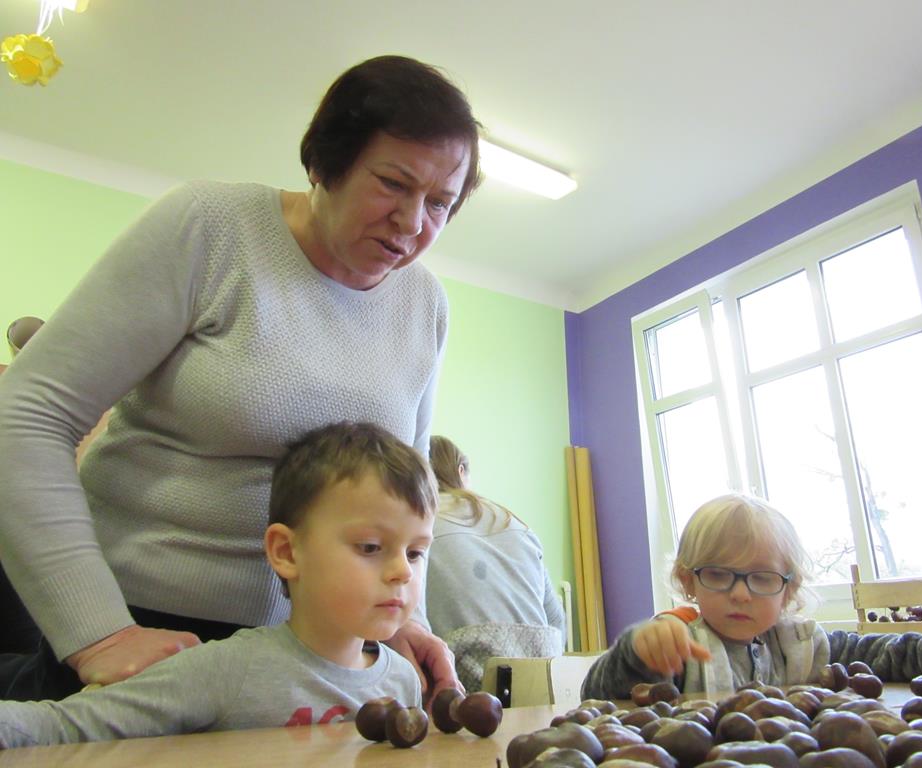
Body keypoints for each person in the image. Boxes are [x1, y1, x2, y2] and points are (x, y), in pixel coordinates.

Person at [0, 54, 482, 703]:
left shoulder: (424, 304)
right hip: (143, 637)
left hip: (306, 652)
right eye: (394, 184)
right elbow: (26, 414)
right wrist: (98, 634)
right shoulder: (211, 228)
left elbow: (406, 490)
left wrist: (405, 621)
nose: (413, 222)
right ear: (325, 163)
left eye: (440, 203)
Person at [0, 421, 434, 748]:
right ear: (286, 552)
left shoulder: (402, 683)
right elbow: (66, 725)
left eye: (415, 553)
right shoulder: (227, 670)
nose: (403, 571)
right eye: (370, 547)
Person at [581, 493, 922, 699]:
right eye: (719, 575)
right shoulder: (677, 646)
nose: (740, 594)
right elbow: (597, 695)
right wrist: (636, 655)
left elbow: (873, 654)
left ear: (789, 590)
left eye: (762, 578)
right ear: (688, 581)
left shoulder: (799, 642)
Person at [426, 435, 565, 691]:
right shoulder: (513, 522)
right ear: (460, 471)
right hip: (541, 682)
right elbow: (556, 621)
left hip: (463, 688)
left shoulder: (418, 523)